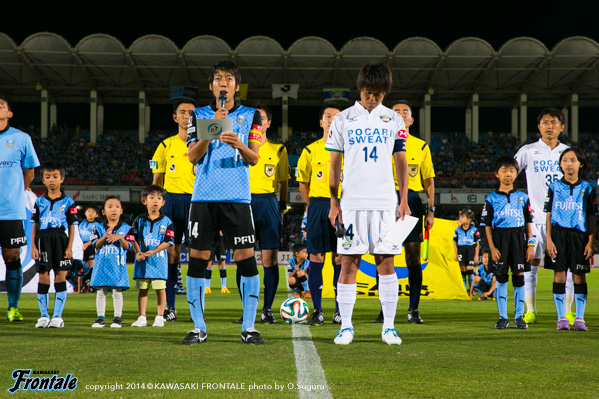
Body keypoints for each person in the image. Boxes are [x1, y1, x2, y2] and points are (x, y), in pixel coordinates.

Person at [327, 62, 410, 345]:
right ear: (359, 89)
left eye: (377, 93)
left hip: (386, 203)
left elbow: (401, 161)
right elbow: (334, 164)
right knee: (348, 263)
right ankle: (346, 327)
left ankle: (389, 327)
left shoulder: (394, 120)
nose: (372, 97)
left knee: (387, 263)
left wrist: (404, 200)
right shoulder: (343, 119)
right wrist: (334, 203)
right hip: (351, 204)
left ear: (385, 93)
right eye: (367, 92)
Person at [183, 60, 263, 345]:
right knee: (197, 260)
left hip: (237, 199)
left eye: (229, 79)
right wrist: (212, 128)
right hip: (203, 198)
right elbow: (193, 157)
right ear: (211, 86)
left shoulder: (252, 115)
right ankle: (198, 327)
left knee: (245, 261)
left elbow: (253, 158)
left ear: (237, 86)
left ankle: (250, 327)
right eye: (218, 79)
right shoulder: (198, 115)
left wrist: (238, 144)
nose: (224, 83)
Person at [375, 99, 435, 324]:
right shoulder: (380, 143)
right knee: (383, 257)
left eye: (404, 112)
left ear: (411, 120)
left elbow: (429, 181)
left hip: (412, 201)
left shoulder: (420, 146)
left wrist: (431, 210)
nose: (400, 115)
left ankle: (413, 309)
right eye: (395, 112)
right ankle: (384, 310)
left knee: (412, 258)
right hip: (385, 200)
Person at [514, 107, 573, 325]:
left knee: (564, 267)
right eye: (545, 122)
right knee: (531, 264)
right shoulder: (528, 150)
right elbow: (510, 172)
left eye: (554, 122)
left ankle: (567, 311)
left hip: (562, 219)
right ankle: (531, 310)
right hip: (535, 219)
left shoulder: (568, 152)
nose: (550, 126)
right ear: (539, 126)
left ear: (562, 127)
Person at [296, 102, 344, 325]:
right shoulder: (310, 150)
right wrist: (312, 205)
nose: (332, 119)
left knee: (339, 258)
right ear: (321, 122)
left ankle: (338, 310)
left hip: (343, 207)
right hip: (318, 206)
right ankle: (317, 310)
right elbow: (303, 182)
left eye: (336, 116)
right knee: (316, 257)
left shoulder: (350, 150)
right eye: (328, 116)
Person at [150, 98, 198, 321]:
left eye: (191, 112)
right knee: (172, 253)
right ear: (175, 117)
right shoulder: (165, 145)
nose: (187, 115)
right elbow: (156, 179)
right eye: (183, 112)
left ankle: (198, 309)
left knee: (199, 254)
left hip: (197, 202)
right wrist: (156, 207)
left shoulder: (205, 143)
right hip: (171, 203)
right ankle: (170, 307)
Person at [545, 147, 596, 331]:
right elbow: (549, 214)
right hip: (558, 235)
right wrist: (549, 239)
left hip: (579, 237)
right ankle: (561, 318)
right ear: (560, 164)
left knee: (579, 277)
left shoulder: (587, 188)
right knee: (559, 275)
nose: (568, 163)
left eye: (573, 160)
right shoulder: (554, 186)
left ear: (580, 164)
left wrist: (591, 241)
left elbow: (591, 216)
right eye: (565, 160)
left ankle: (580, 318)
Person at [481, 156, 535, 330]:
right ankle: (503, 317)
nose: (508, 174)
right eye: (504, 171)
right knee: (501, 278)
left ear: (516, 174)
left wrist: (530, 245)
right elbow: (487, 225)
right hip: (499, 239)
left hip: (519, 239)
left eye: (512, 171)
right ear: (497, 174)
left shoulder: (523, 197)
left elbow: (528, 223)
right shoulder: (491, 199)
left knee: (519, 277)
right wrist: (492, 248)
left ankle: (519, 317)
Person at [0, 93, 40, 322]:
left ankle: (12, 307)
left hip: (10, 211)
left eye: (2, 104)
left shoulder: (21, 138)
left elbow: (30, 172)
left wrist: (16, 194)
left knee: (12, 257)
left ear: (10, 114)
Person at [249, 103, 290, 324]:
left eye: (261, 118)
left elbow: (283, 182)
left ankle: (267, 310)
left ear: (268, 123)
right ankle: (247, 311)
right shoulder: (242, 147)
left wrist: (282, 207)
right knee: (244, 258)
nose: (257, 121)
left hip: (268, 202)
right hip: (243, 203)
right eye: (254, 118)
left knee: (269, 260)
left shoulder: (279, 150)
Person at [30, 162, 78, 328]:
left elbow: (72, 226)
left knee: (60, 276)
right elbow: (34, 224)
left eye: (55, 177)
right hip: (42, 240)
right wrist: (34, 247)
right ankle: (44, 316)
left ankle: (57, 317)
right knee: (43, 276)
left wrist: (69, 247)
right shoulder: (39, 202)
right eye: (47, 177)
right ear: (43, 180)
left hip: (60, 239)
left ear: (62, 179)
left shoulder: (69, 202)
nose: (51, 180)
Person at [130, 185, 175, 328]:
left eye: (159, 198)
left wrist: (154, 251)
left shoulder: (167, 221)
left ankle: (160, 316)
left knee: (160, 289)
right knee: (142, 289)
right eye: (152, 197)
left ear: (163, 203)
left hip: (159, 262)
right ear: (144, 201)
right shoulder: (138, 220)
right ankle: (141, 317)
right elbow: (132, 238)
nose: (155, 200)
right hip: (142, 261)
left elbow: (169, 241)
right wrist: (138, 252)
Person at [89, 196, 134, 328]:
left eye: (116, 206)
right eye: (109, 207)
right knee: (101, 291)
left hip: (117, 266)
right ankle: (100, 318)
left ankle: (117, 318)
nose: (113, 209)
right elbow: (95, 245)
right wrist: (106, 236)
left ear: (121, 211)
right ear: (103, 212)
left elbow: (128, 246)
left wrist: (120, 237)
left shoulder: (127, 228)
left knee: (116, 291)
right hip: (101, 266)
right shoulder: (97, 228)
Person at [453, 207, 481, 291]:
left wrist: (476, 256)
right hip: (461, 250)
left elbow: (477, 243)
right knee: (463, 270)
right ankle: (464, 290)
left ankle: (472, 290)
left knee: (470, 269)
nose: (460, 219)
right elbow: (454, 243)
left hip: (470, 250)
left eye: (463, 217)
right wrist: (456, 254)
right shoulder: (457, 230)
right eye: (460, 217)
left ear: (469, 219)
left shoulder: (474, 229)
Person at [78, 205, 101, 291]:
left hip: (91, 246)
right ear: (85, 213)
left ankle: (91, 284)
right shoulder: (81, 223)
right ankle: (86, 284)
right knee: (83, 266)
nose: (90, 213)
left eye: (92, 212)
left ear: (96, 215)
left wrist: (87, 244)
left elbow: (97, 237)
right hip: (81, 246)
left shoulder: (97, 225)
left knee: (92, 265)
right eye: (88, 211)